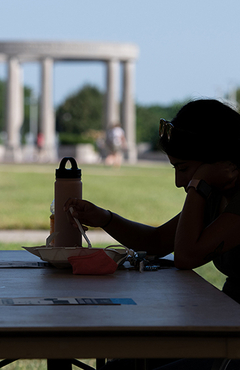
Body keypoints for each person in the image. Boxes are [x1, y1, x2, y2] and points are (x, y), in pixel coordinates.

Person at [64, 99, 240, 369]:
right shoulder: (218, 194)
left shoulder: (211, 192)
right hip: (226, 325)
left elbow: (185, 255)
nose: (179, 182)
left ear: (218, 160)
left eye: (183, 169)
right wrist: (105, 218)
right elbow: (158, 242)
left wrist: (198, 185)